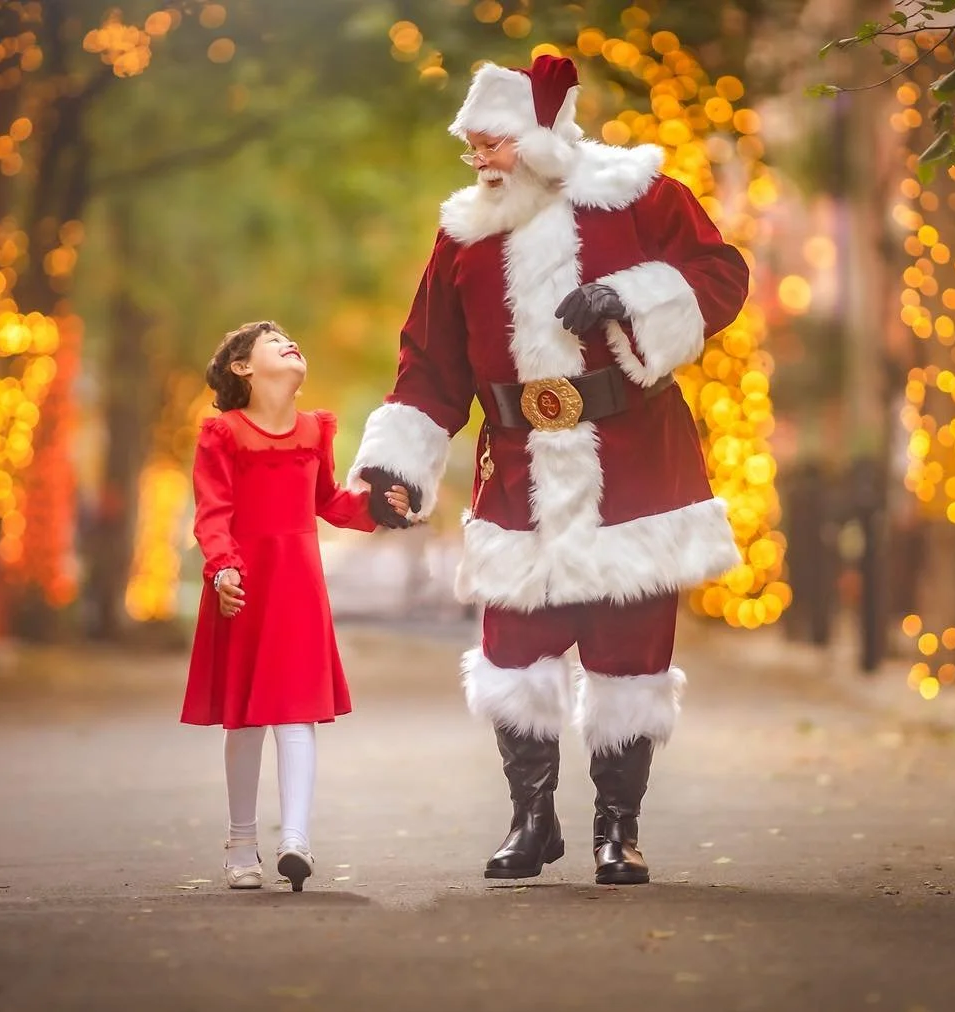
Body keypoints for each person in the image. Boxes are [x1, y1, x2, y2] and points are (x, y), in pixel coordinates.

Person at [349, 56, 750, 885]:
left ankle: (618, 829)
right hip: (520, 463)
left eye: (492, 144)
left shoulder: (638, 195)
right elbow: (429, 361)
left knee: (631, 648)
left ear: (537, 135)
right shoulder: (463, 235)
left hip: (635, 458)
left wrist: (633, 297)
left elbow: (722, 274)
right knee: (514, 648)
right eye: (475, 149)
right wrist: (397, 468)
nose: (481, 161)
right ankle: (532, 821)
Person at [182, 320, 412, 891]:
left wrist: (381, 506)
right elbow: (212, 512)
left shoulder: (315, 430)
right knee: (247, 717)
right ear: (243, 368)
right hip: (243, 586)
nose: (290, 343)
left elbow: (330, 502)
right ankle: (240, 842)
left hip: (299, 588)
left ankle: (296, 840)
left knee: (297, 711)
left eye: (290, 338)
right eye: (272, 340)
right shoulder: (222, 432)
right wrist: (223, 568)